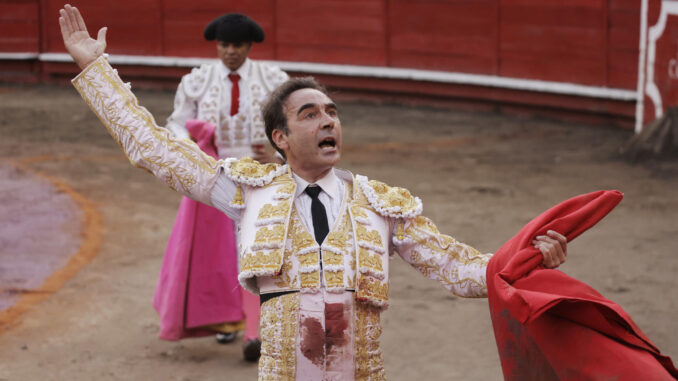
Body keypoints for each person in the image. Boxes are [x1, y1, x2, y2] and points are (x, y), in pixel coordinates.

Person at [59, 4, 567, 379]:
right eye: (310, 114)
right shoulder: (245, 190)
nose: (328, 122)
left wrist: (528, 259)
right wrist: (96, 71)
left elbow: (460, 270)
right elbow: (152, 148)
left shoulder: (381, 203)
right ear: (280, 139)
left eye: (332, 113)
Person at [153, 12, 288, 362]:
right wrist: (194, 146)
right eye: (225, 45)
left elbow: (291, 124)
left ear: (249, 46)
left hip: (262, 175)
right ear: (217, 45)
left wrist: (278, 150)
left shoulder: (274, 80)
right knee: (219, 252)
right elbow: (177, 124)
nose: (231, 51)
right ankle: (229, 320)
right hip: (214, 177)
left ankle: (255, 330)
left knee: (259, 250)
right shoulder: (197, 82)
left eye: (238, 45)